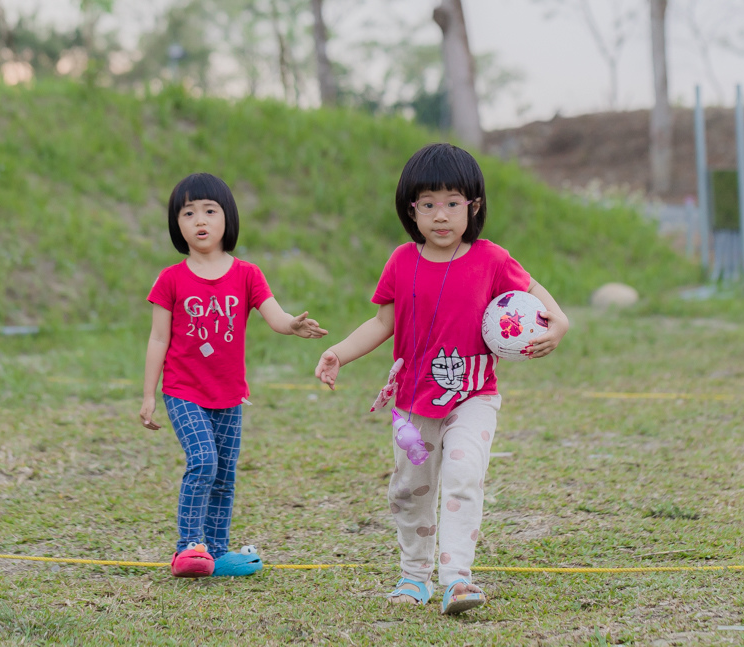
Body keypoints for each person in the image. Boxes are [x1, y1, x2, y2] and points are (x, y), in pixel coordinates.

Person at [314, 143, 568, 614]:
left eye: (453, 203)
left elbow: (533, 292)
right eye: (428, 204)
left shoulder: (492, 259)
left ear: (473, 206)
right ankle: (414, 576)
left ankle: (457, 580)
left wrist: (560, 322)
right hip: (412, 405)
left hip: (474, 396)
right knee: (410, 489)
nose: (441, 215)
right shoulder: (401, 262)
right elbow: (381, 324)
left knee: (463, 474)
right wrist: (337, 353)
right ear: (411, 210)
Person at [141, 172, 328, 578]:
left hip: (228, 395)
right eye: (188, 212)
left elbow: (274, 315)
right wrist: (148, 395)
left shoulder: (247, 273)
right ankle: (188, 547)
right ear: (177, 224)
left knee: (225, 474)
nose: (199, 219)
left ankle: (218, 552)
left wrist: (292, 325)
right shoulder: (170, 280)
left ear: (228, 218)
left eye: (210, 210)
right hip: (182, 390)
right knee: (204, 461)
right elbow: (158, 340)